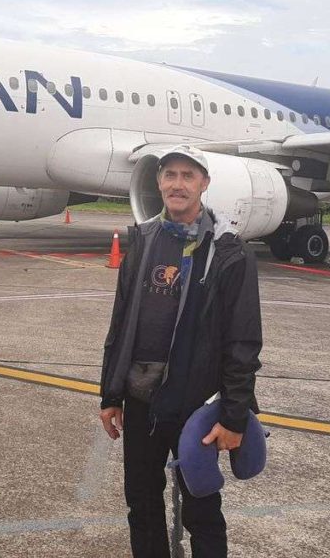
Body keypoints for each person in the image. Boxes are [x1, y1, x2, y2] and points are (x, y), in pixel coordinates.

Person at [99, 145, 262, 558]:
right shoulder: (143, 239)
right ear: (159, 183)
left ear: (204, 184)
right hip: (141, 399)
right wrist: (110, 394)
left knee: (202, 508)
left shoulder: (229, 251)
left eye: (188, 176)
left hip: (196, 403)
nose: (177, 184)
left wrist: (234, 415)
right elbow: (121, 323)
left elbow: (243, 342)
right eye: (169, 175)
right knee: (142, 503)